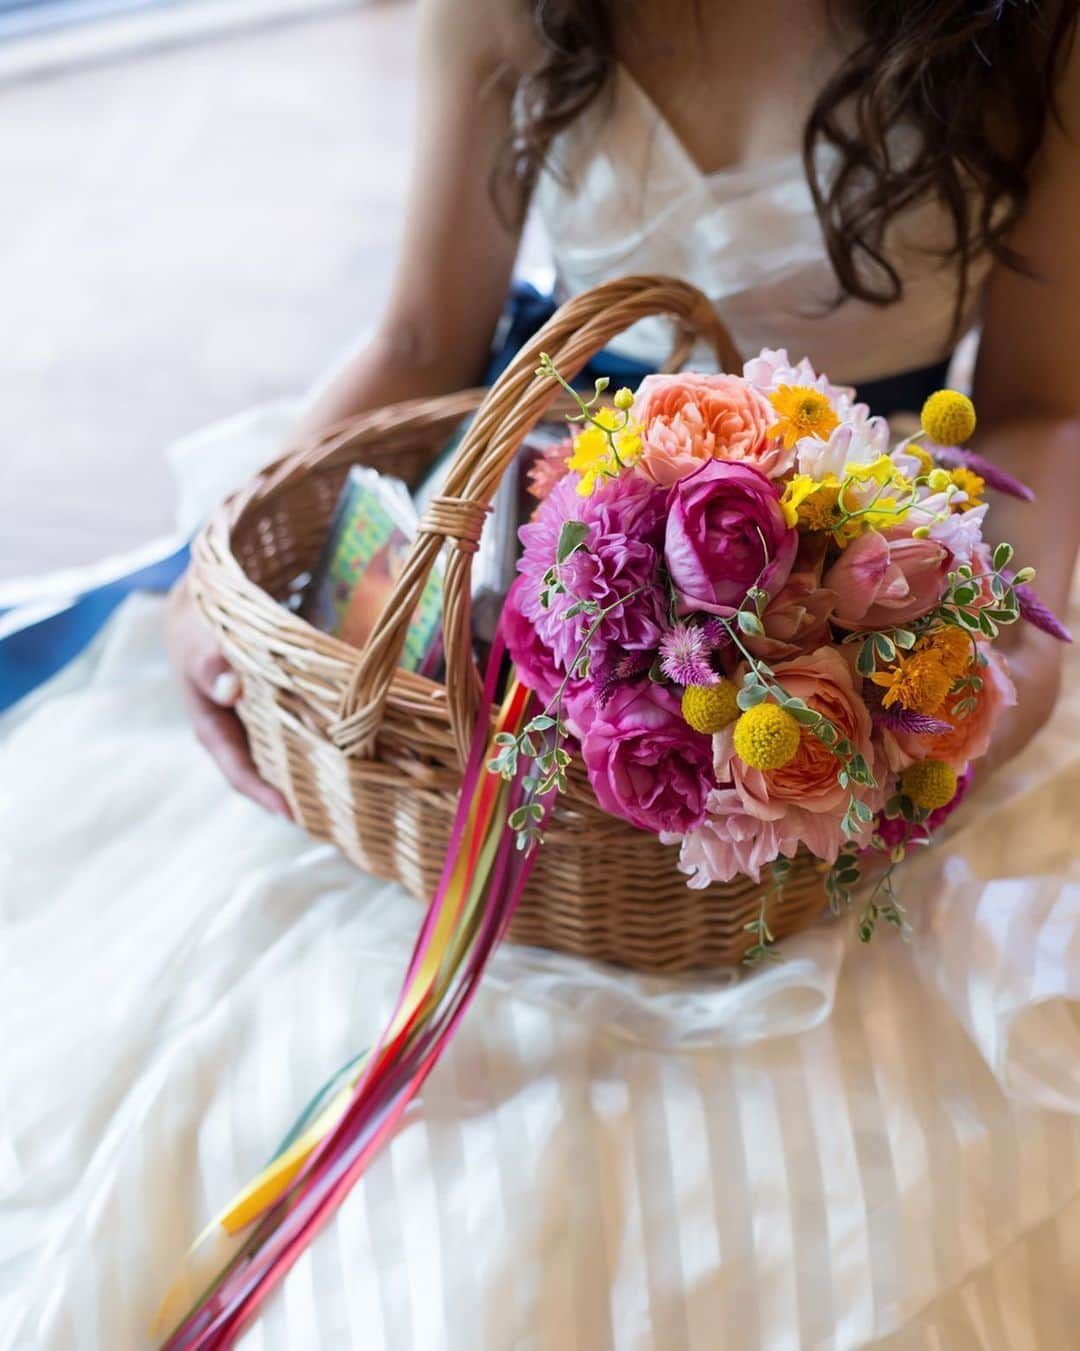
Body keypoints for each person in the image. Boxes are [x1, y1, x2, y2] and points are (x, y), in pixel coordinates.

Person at [166, 0, 1080, 815]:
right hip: (548, 520)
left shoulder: (1039, 29)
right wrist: (226, 560)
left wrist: (1019, 665)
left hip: (864, 551)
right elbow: (418, 340)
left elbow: (1037, 405)